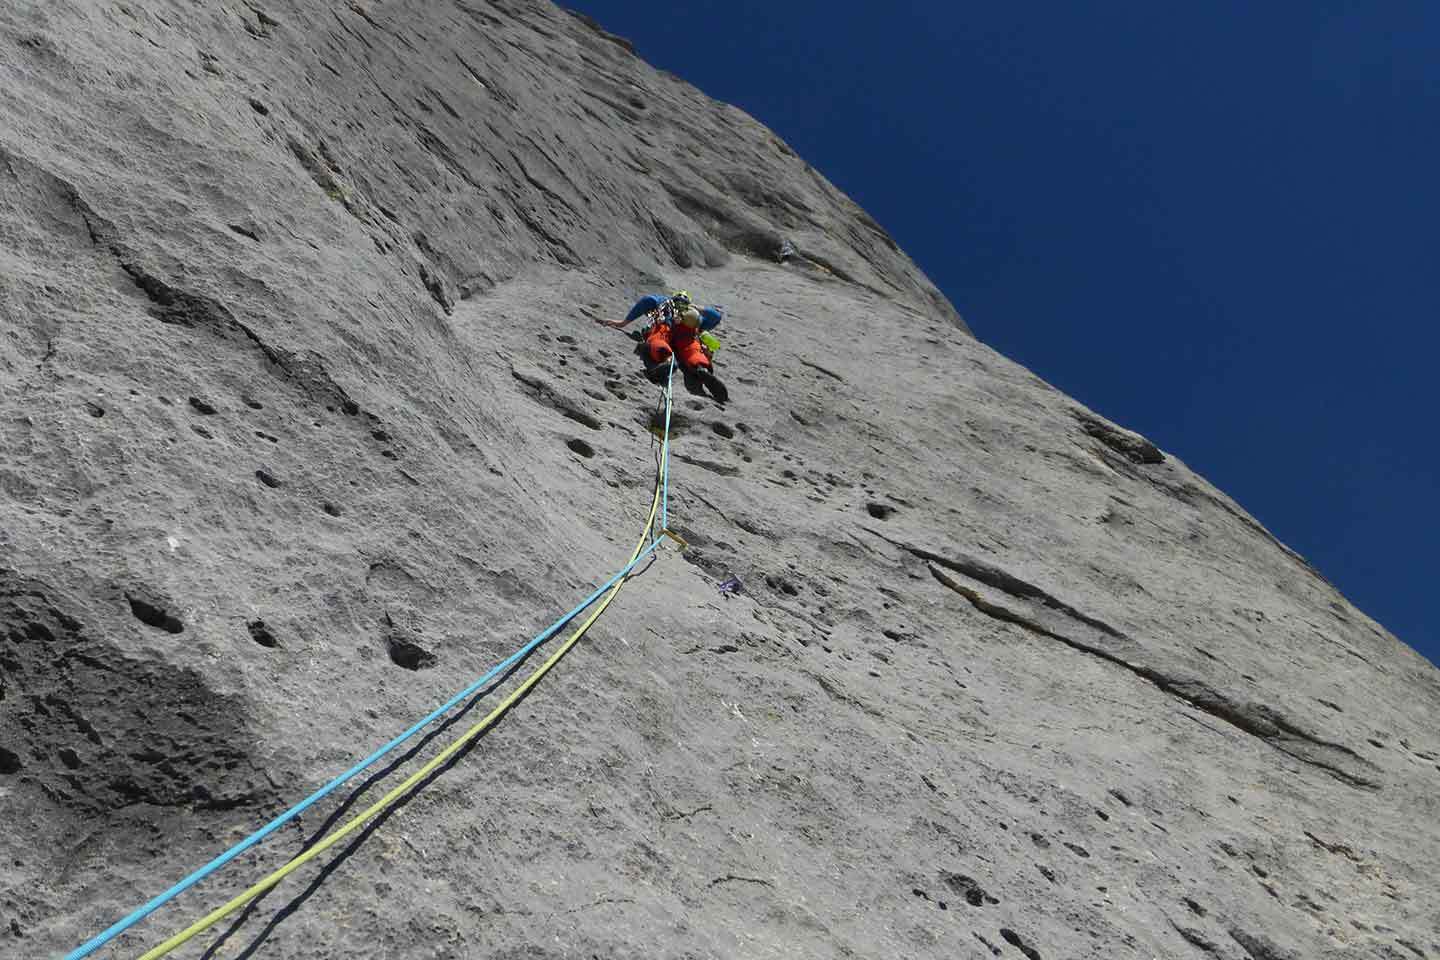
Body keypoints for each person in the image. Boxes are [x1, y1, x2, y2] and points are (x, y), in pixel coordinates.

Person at [598, 290, 728, 402]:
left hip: (665, 325)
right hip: (686, 334)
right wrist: (698, 308)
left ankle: (667, 359)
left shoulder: (665, 303)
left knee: (659, 337)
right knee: (692, 348)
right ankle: (701, 368)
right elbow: (715, 317)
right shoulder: (692, 314)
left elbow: (647, 301)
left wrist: (624, 323)